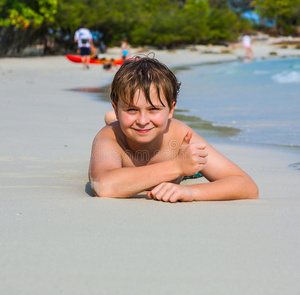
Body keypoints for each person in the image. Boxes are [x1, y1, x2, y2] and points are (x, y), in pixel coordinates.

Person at [89, 56, 258, 202]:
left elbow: (247, 186)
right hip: (176, 162)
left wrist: (191, 192)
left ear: (170, 110)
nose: (142, 120)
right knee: (117, 126)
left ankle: (117, 117)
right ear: (116, 108)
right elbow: (104, 186)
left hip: (188, 167)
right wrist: (177, 166)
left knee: (192, 162)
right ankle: (112, 119)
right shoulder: (110, 137)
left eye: (153, 109)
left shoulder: (179, 135)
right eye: (131, 109)